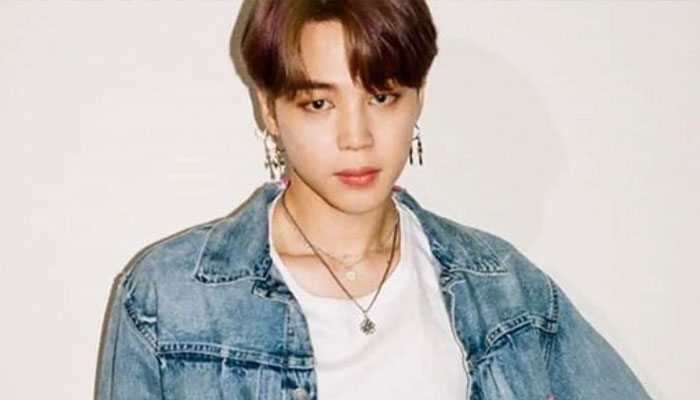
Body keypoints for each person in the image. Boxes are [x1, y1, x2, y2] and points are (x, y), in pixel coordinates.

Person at [95, 1, 652, 399]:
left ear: (418, 99)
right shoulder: (168, 299)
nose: (356, 137)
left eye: (382, 97)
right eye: (319, 104)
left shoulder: (505, 290)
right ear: (269, 109)